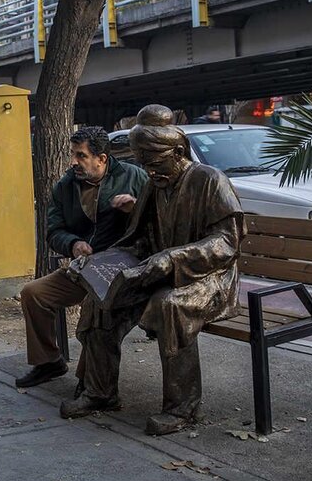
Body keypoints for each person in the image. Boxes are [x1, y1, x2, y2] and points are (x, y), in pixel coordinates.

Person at [61, 104, 244, 436]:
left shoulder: (209, 180)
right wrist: (95, 263)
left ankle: (182, 408)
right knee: (101, 299)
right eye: (143, 163)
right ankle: (100, 392)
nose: (149, 171)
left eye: (155, 163)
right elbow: (140, 240)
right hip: (156, 270)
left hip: (209, 278)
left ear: (177, 152)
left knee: (169, 306)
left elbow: (227, 244)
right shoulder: (153, 184)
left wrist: (173, 259)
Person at [14, 126, 148, 389]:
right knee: (33, 293)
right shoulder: (66, 186)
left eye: (81, 155)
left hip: (125, 270)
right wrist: (73, 244)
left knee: (95, 310)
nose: (74, 161)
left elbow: (159, 222)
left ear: (102, 159)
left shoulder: (133, 177)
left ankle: (89, 383)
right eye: (73, 154)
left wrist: (135, 209)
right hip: (86, 267)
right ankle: (49, 362)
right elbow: (53, 231)